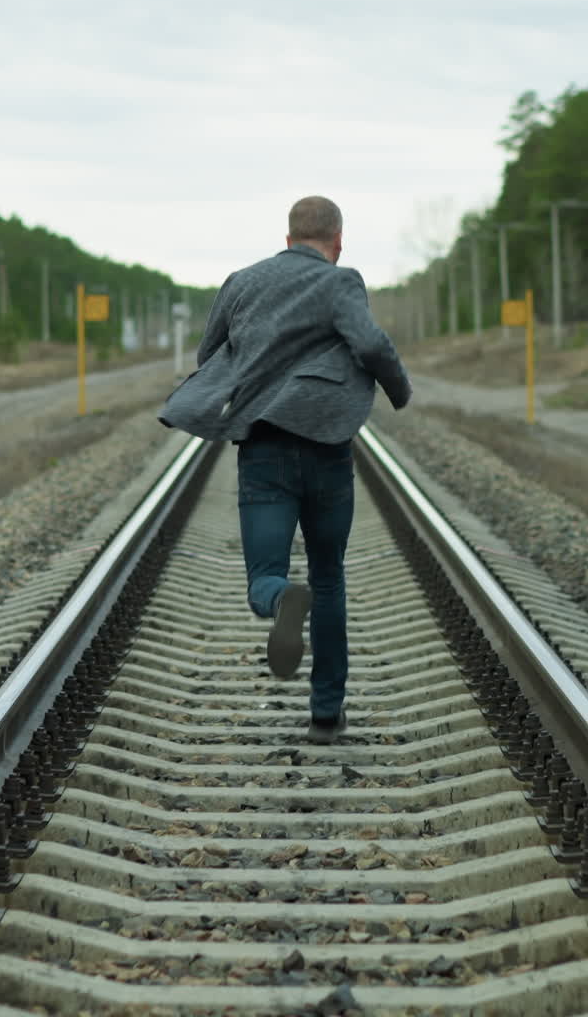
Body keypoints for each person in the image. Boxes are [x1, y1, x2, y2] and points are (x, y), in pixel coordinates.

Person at [158, 196, 412, 743]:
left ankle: (279, 600)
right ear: (338, 241)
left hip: (265, 450)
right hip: (327, 451)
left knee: (263, 576)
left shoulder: (242, 282)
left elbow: (209, 355)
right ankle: (326, 710)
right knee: (329, 578)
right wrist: (398, 390)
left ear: (289, 235)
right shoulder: (341, 282)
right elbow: (369, 342)